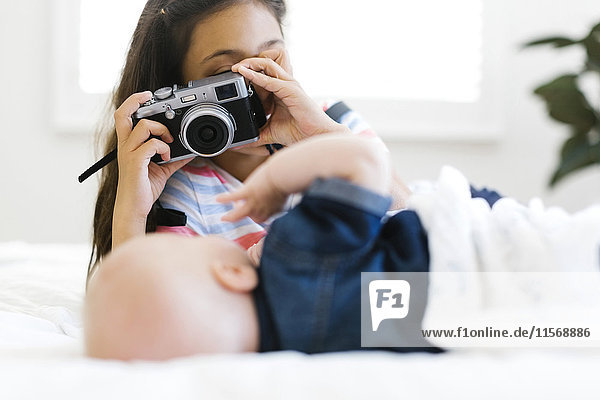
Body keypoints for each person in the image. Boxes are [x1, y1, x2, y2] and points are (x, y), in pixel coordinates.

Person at [89, 0, 410, 284]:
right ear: (177, 91)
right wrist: (132, 208)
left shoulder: (336, 123)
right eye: (228, 74)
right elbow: (149, 309)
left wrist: (323, 140)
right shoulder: (186, 189)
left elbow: (408, 213)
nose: (256, 86)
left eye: (270, 60)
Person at [84, 133, 435, 360]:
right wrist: (273, 179)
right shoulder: (290, 257)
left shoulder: (290, 353)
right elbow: (366, 160)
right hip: (461, 249)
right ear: (233, 273)